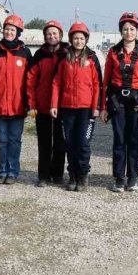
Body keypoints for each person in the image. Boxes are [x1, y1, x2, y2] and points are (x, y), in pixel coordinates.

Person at [101, 12, 138, 192]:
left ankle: (132, 178)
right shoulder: (113, 52)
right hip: (117, 100)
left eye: (132, 29)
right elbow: (105, 81)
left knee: (133, 139)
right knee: (119, 139)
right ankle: (119, 178)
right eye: (125, 29)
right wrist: (103, 106)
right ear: (121, 31)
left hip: (137, 100)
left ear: (137, 31)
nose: (129, 32)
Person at [51, 21, 102, 192]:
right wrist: (54, 104)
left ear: (86, 39)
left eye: (81, 38)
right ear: (71, 39)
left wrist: (96, 107)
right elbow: (57, 83)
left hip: (85, 109)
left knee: (83, 143)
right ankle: (72, 175)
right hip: (67, 108)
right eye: (75, 38)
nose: (78, 41)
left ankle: (83, 175)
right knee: (70, 143)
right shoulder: (64, 59)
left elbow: (97, 85)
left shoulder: (92, 59)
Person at [0, 14, 31, 185]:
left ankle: (13, 172)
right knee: (2, 141)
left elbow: (30, 80)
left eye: (13, 30)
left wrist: (29, 103)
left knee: (15, 141)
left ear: (18, 32)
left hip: (18, 106)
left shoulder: (25, 53)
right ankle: (2, 171)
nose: (9, 32)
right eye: (7, 29)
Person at [26, 20, 68, 187]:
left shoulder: (67, 53)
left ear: (60, 35)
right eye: (49, 34)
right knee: (44, 142)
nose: (52, 36)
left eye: (55, 33)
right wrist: (32, 104)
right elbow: (30, 80)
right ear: (45, 36)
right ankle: (43, 175)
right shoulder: (39, 55)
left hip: (62, 106)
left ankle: (57, 174)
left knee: (60, 141)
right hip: (42, 105)